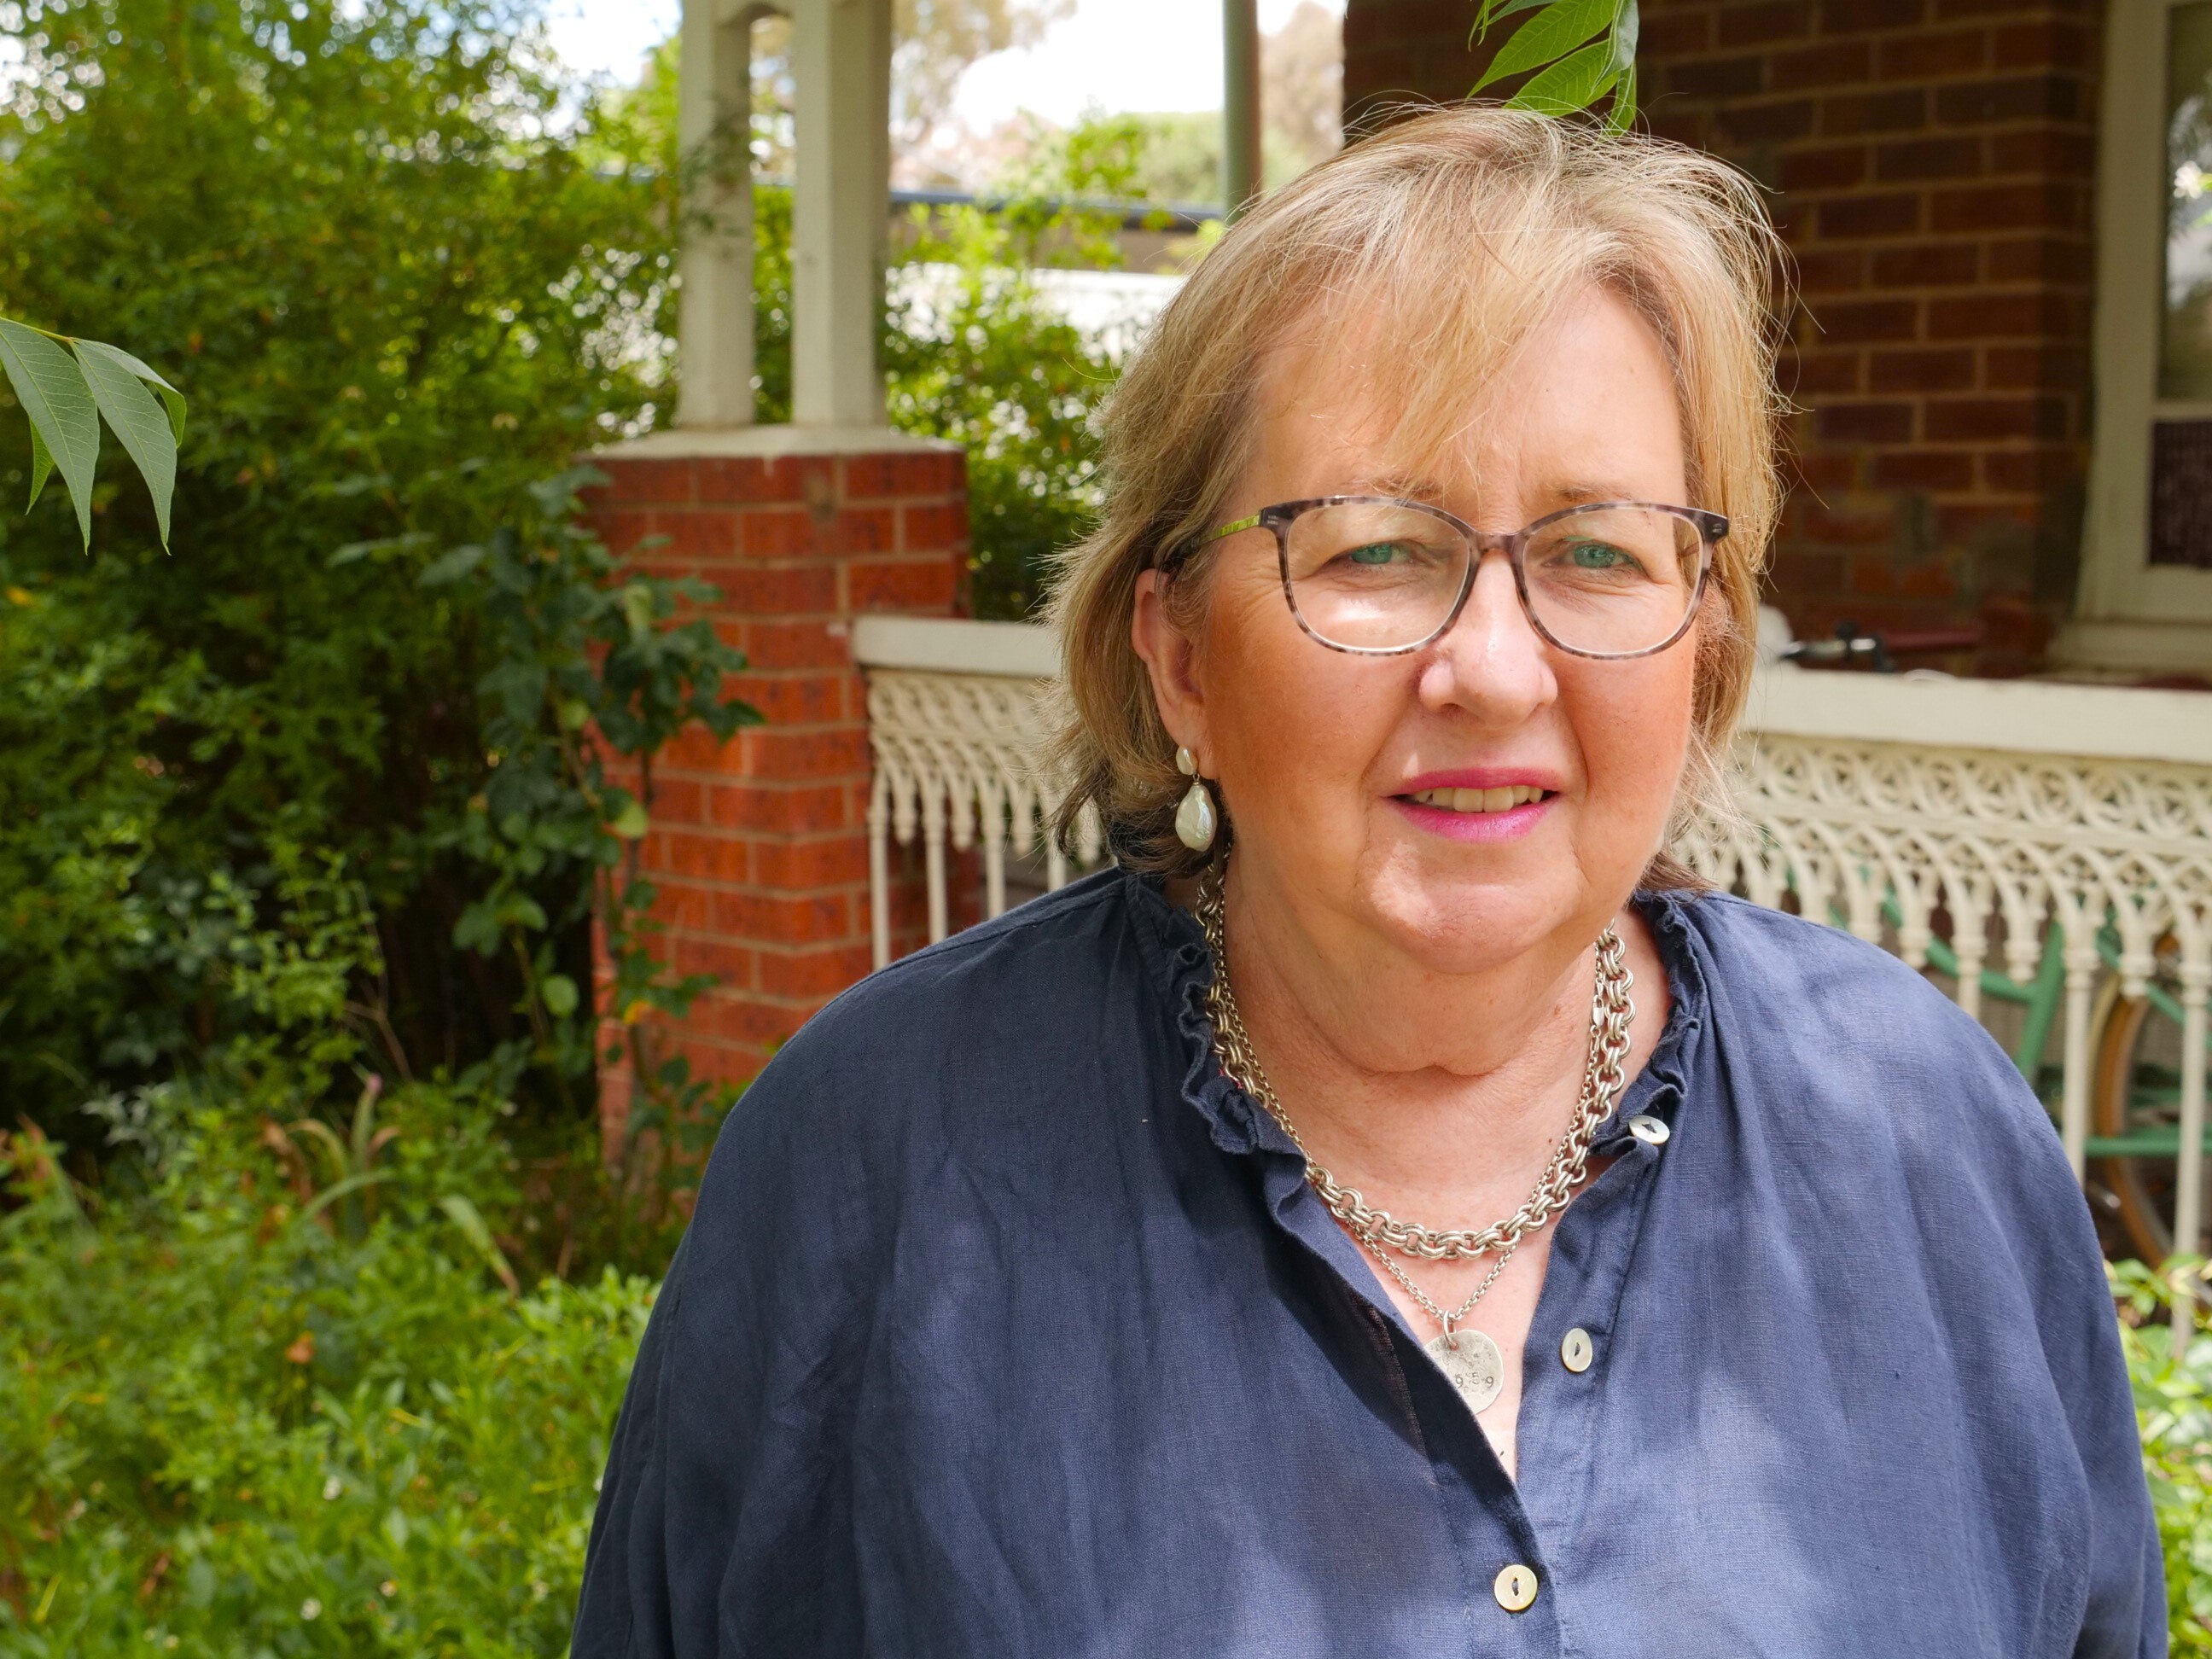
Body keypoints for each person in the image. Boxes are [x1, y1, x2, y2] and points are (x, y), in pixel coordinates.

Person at [573, 107, 2160, 1657]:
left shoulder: (1926, 1131)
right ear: (1180, 655)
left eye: (1597, 552)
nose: (1491, 668)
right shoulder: (879, 1167)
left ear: (1707, 642)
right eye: (1374, 548)